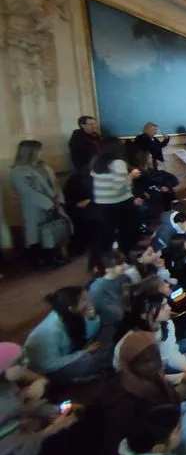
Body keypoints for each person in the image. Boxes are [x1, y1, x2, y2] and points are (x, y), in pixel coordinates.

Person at [0, 343, 79, 455]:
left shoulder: (7, 384)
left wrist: (52, 410)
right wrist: (51, 430)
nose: (25, 364)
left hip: (27, 436)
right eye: (20, 363)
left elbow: (26, 404)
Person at [23, 286, 110, 383]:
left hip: (69, 352)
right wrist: (83, 352)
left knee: (105, 334)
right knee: (94, 358)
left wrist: (92, 317)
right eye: (84, 300)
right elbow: (49, 365)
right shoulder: (51, 330)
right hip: (49, 370)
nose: (89, 301)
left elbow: (88, 334)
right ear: (72, 308)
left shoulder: (69, 314)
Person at [11, 140, 70, 270]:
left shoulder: (44, 167)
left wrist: (58, 200)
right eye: (39, 150)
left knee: (53, 231)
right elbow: (27, 191)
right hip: (35, 207)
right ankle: (41, 260)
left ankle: (54, 256)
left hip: (54, 203)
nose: (41, 153)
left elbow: (55, 184)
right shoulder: (18, 171)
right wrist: (48, 204)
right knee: (38, 233)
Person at [91, 138, 140, 254]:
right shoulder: (118, 163)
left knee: (107, 232)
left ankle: (106, 260)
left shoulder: (96, 160)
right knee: (127, 229)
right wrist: (132, 175)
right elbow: (119, 185)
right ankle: (126, 253)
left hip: (102, 202)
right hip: (119, 201)